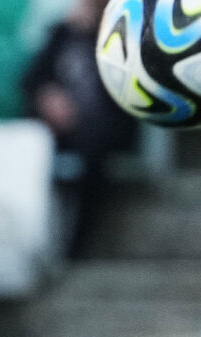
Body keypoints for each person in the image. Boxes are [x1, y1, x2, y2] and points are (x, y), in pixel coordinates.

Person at [21, 0, 139, 259]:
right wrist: (48, 97)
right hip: (56, 129)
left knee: (94, 150)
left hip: (101, 130)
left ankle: (77, 247)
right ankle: (31, 242)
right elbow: (31, 80)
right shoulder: (62, 34)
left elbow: (125, 96)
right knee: (28, 141)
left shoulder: (121, 38)